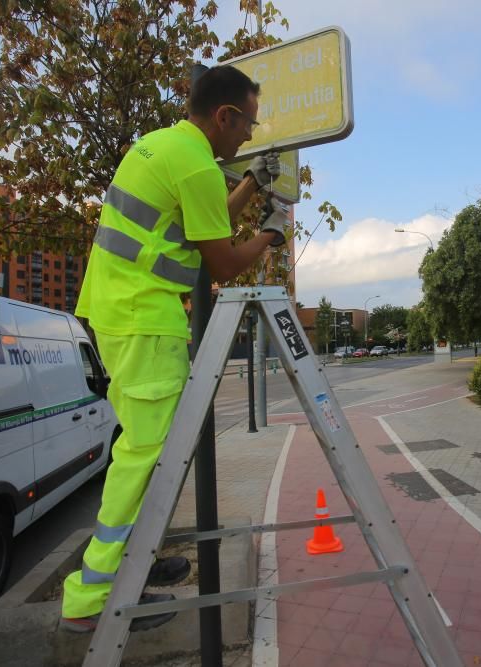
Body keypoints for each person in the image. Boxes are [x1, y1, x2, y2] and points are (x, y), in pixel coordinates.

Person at [60, 65, 288, 633]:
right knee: (147, 457)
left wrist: (252, 185)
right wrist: (273, 234)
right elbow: (224, 261)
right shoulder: (194, 165)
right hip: (144, 320)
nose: (250, 137)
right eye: (248, 126)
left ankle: (133, 565)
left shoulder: (163, 147)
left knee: (147, 451)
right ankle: (92, 597)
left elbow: (204, 223)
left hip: (118, 312)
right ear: (224, 116)